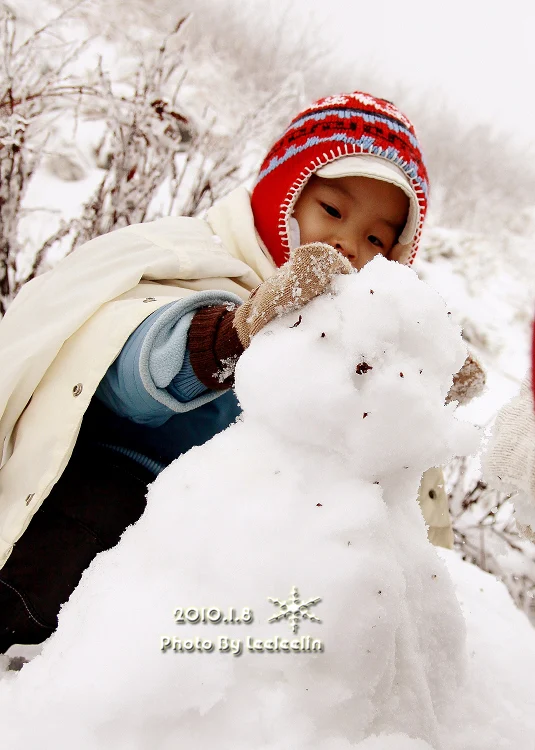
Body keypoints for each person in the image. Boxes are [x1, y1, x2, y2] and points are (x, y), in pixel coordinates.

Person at [0, 91, 483, 652]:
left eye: (377, 239)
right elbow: (110, 369)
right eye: (331, 210)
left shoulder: (355, 347)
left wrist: (412, 396)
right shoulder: (184, 255)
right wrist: (227, 337)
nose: (348, 243)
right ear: (285, 192)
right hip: (97, 493)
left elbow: (390, 515)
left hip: (232, 545)